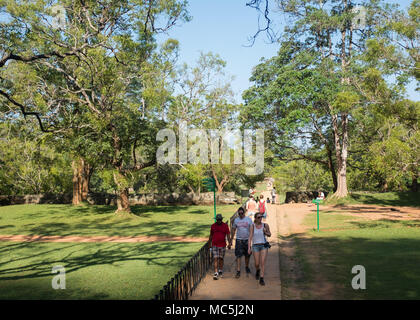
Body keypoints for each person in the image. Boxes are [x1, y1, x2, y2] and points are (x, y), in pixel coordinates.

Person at [229, 207, 253, 278]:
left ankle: (247, 266)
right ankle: (238, 270)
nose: (241, 215)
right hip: (239, 240)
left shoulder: (249, 220)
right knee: (238, 256)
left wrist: (250, 240)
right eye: (239, 214)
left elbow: (251, 230)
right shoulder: (236, 220)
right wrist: (231, 240)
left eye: (242, 213)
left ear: (244, 213)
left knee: (247, 255)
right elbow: (233, 230)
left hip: (247, 240)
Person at [248, 213, 271, 286]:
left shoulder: (265, 225)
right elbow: (250, 237)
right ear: (255, 218)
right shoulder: (252, 226)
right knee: (257, 263)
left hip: (263, 245)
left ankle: (261, 278)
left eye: (261, 217)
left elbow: (269, 234)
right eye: (258, 217)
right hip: (255, 246)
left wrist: (265, 232)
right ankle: (257, 270)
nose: (260, 218)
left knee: (262, 262)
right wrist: (249, 247)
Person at [209, 213, 231, 280]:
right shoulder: (213, 226)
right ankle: (216, 272)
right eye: (218, 220)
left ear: (222, 219)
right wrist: (209, 244)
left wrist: (229, 243)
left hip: (222, 244)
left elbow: (228, 235)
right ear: (216, 220)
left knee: (221, 258)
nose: (219, 221)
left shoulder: (225, 226)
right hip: (215, 244)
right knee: (215, 258)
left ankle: (220, 270)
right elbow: (211, 235)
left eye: (220, 219)